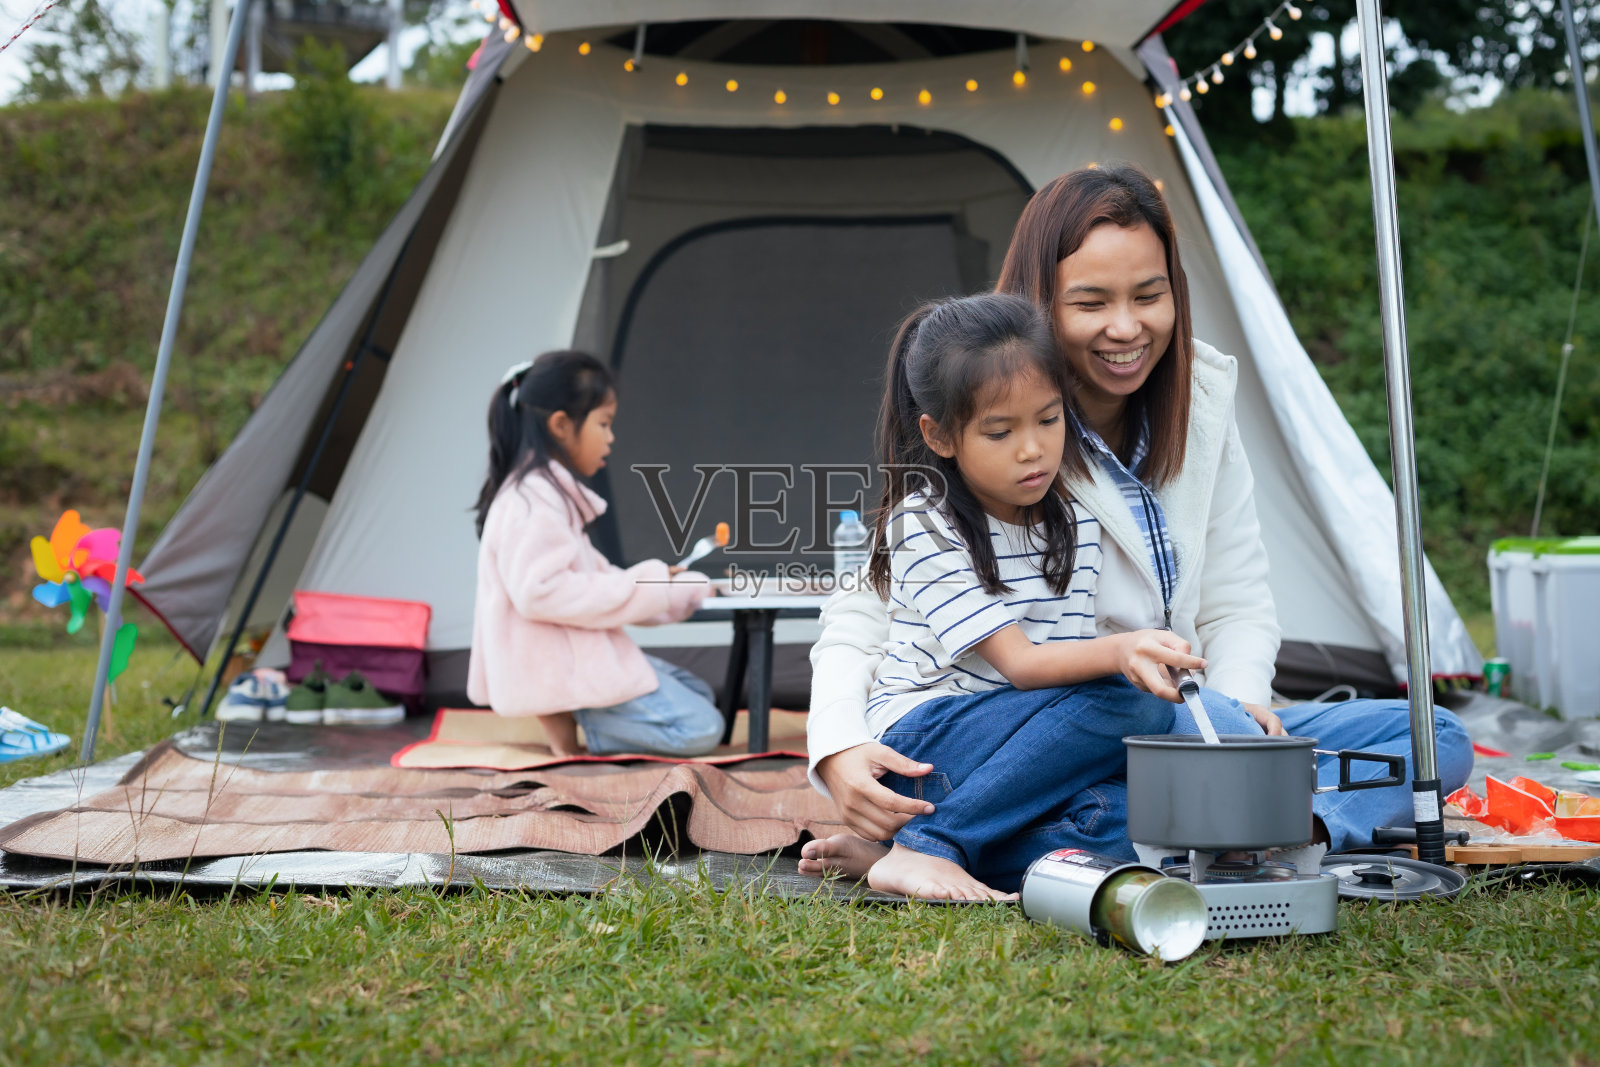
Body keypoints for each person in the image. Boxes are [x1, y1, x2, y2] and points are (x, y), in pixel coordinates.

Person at [801, 165, 1472, 881]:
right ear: (1040, 306)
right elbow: (865, 610)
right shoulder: (988, 419)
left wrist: (1240, 713)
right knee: (1136, 761)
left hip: (1181, 715)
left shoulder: (1204, 399)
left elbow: (1239, 600)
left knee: (1435, 740)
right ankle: (1214, 831)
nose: (1127, 327)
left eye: (1150, 295)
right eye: (1092, 302)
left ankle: (1278, 825)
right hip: (1059, 721)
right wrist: (837, 742)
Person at [857, 292, 1203, 901]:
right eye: (1000, 431)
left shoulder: (1075, 520)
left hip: (1018, 758)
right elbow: (1022, 665)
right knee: (1138, 708)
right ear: (939, 437)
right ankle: (927, 846)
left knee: (1131, 826)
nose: (1032, 448)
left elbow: (1057, 687)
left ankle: (898, 849)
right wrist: (1124, 650)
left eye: (1048, 420)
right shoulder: (922, 524)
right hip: (922, 746)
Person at [467, 350, 725, 759]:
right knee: (701, 728)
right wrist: (650, 582)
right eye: (604, 424)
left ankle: (583, 714)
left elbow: (600, 581)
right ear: (561, 425)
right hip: (562, 671)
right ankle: (576, 719)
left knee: (701, 693)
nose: (611, 437)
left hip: (577, 660)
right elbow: (540, 592)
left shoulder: (548, 495)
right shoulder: (531, 502)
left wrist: (675, 587)